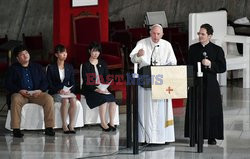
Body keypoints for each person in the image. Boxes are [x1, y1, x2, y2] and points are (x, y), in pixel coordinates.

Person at [129, 24, 177, 144]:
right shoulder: (142, 43)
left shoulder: (167, 45)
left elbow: (173, 61)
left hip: (162, 81)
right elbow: (133, 59)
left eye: (158, 34)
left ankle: (162, 138)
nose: (156, 36)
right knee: (146, 108)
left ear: (162, 34)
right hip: (146, 80)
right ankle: (145, 137)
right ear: (150, 33)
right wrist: (138, 56)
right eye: (154, 33)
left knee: (161, 110)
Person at [184, 23, 226, 145]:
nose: (200, 36)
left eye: (203, 34)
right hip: (196, 83)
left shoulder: (217, 50)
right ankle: (197, 134)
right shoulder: (193, 48)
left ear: (210, 36)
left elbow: (222, 67)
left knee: (212, 109)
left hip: (211, 84)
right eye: (199, 34)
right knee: (196, 108)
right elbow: (189, 66)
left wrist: (210, 64)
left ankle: (212, 135)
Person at [5, 45, 55, 138]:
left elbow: (45, 81)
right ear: (17, 58)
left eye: (26, 53)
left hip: (36, 94)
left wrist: (40, 90)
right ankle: (16, 129)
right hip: (21, 94)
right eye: (22, 54)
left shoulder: (37, 67)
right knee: (15, 99)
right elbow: (8, 84)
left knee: (49, 99)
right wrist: (19, 90)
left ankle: (49, 127)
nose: (25, 55)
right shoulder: (13, 68)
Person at [81, 42, 117, 132]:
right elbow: (86, 81)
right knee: (104, 100)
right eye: (93, 51)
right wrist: (97, 89)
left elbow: (106, 77)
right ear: (89, 51)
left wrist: (105, 87)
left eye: (97, 51)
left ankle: (112, 123)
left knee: (112, 101)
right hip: (90, 89)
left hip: (102, 89)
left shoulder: (103, 63)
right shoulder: (85, 65)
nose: (96, 53)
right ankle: (103, 123)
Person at [47, 44, 77, 134]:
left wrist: (70, 90)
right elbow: (49, 84)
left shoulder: (69, 67)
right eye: (62, 52)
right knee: (65, 100)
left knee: (73, 99)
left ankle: (71, 125)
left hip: (67, 92)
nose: (65, 54)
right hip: (56, 92)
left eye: (66, 52)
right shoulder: (51, 68)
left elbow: (73, 83)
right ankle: (64, 124)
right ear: (56, 55)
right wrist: (59, 90)